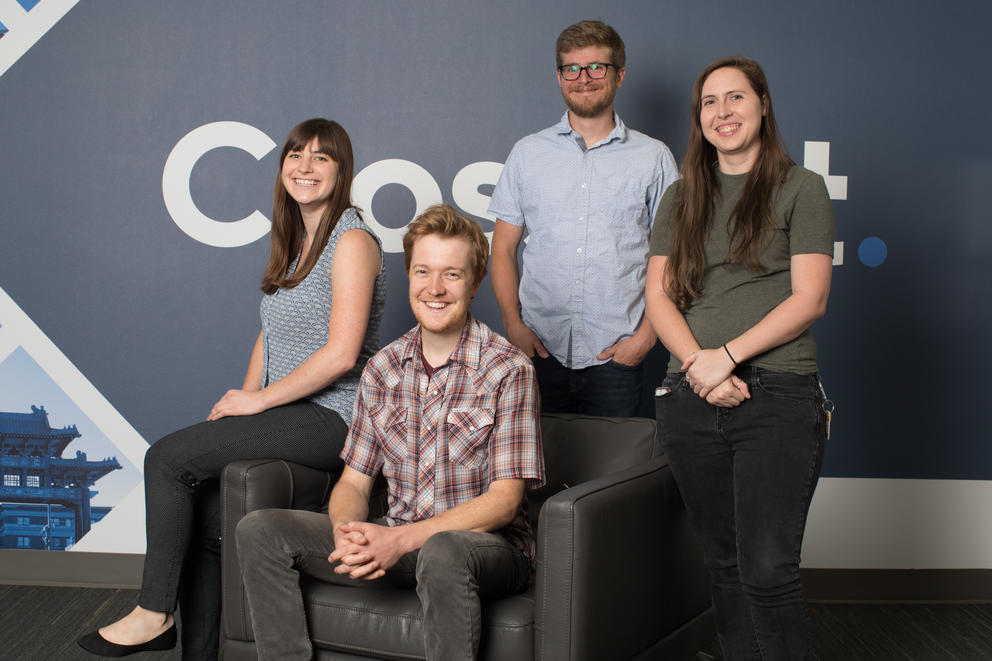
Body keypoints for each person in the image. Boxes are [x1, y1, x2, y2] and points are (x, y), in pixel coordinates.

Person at [77, 118, 386, 659]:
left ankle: (153, 612)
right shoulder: (297, 244)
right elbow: (269, 337)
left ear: (342, 171)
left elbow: (341, 353)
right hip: (288, 413)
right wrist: (240, 406)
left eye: (321, 158)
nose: (304, 167)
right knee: (210, 512)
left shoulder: (353, 239)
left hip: (334, 418)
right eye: (295, 155)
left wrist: (260, 403)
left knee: (166, 459)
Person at [235, 204, 544, 661]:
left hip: (485, 550)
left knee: (442, 550)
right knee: (260, 529)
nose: (434, 288)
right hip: (395, 539)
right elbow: (354, 483)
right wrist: (349, 533)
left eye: (452, 275)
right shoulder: (381, 369)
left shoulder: (508, 369)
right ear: (408, 275)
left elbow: (504, 502)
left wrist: (400, 540)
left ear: (475, 283)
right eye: (423, 272)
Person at [645, 56, 834, 660]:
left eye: (735, 99)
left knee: (767, 568)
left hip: (777, 394)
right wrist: (700, 369)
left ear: (762, 105)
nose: (722, 113)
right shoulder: (681, 196)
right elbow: (658, 296)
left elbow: (810, 299)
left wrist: (723, 357)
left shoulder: (801, 188)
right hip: (689, 395)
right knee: (723, 566)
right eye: (709, 102)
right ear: (698, 117)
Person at [488, 19, 679, 417]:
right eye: (571, 69)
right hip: (539, 351)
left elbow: (674, 255)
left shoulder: (654, 157)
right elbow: (503, 249)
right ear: (560, 76)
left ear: (619, 75)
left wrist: (646, 338)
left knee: (613, 477)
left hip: (618, 356)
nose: (584, 78)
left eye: (597, 67)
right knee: (538, 475)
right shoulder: (528, 153)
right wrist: (513, 325)